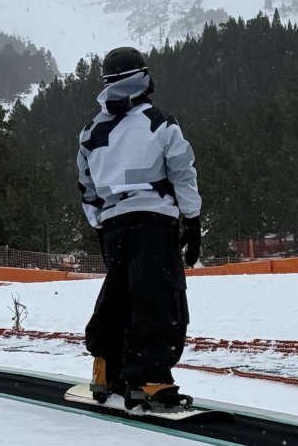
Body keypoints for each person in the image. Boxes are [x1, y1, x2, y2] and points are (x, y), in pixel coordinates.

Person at [77, 46, 202, 413]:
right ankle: (149, 377)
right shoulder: (159, 122)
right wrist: (192, 220)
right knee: (157, 297)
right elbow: (182, 170)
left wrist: (99, 223)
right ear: (143, 78)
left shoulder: (91, 131)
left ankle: (107, 368)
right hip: (154, 219)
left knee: (118, 296)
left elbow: (86, 186)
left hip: (114, 225)